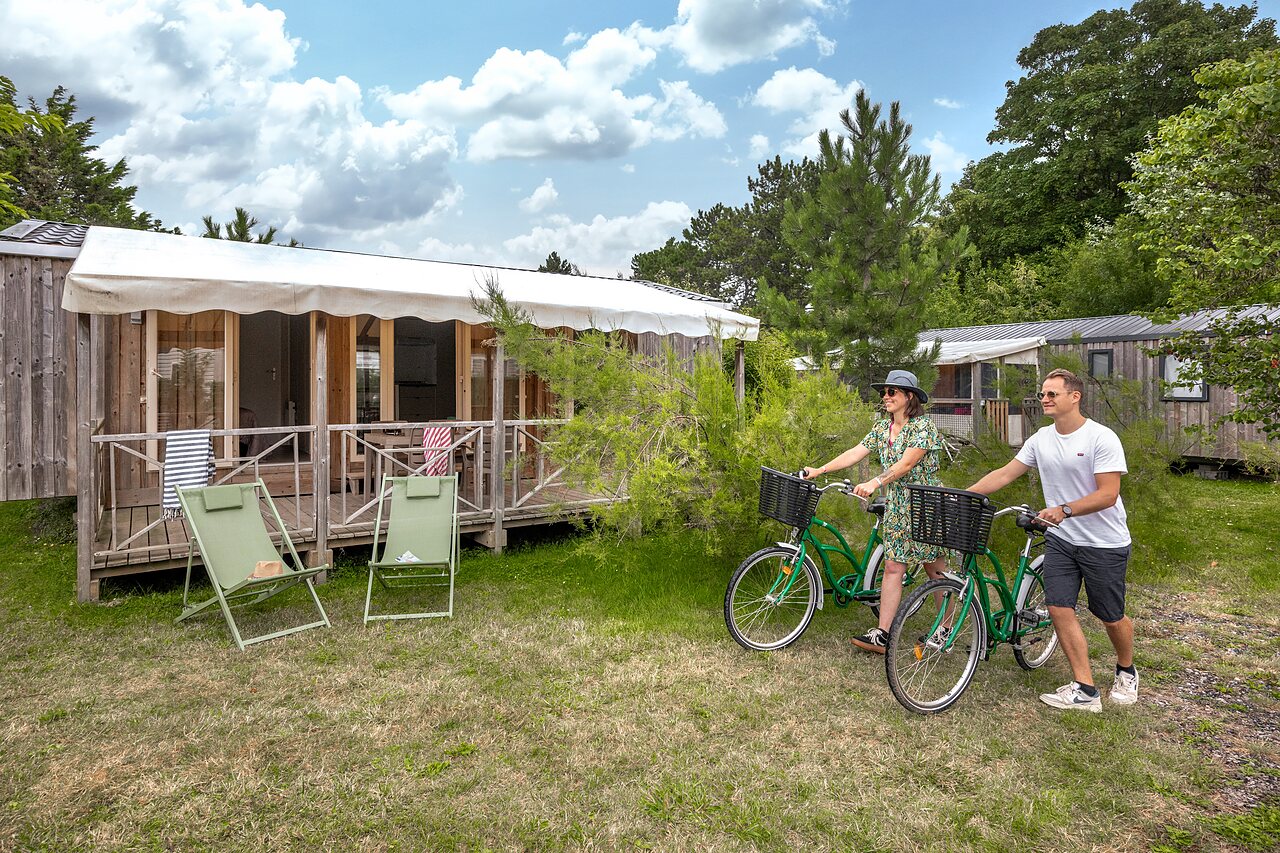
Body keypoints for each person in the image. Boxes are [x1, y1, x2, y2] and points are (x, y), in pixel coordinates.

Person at [966, 368, 1137, 713]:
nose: (1044, 399)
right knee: (1059, 608)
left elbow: (1108, 494)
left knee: (1110, 615)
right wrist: (963, 495)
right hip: (1061, 539)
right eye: (1043, 394)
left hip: (1104, 542)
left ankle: (1126, 669)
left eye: (1051, 394)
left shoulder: (1101, 438)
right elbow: (1005, 473)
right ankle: (1085, 689)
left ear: (1074, 397)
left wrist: (1066, 509)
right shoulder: (1041, 438)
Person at [803, 369, 948, 653]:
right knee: (893, 566)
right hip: (897, 506)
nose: (885, 396)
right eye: (883, 392)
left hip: (926, 504)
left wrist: (875, 481)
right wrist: (819, 469)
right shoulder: (882, 429)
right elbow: (855, 452)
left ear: (909, 397)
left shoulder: (924, 428)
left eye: (891, 392)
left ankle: (945, 628)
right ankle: (882, 634)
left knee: (936, 570)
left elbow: (906, 465)